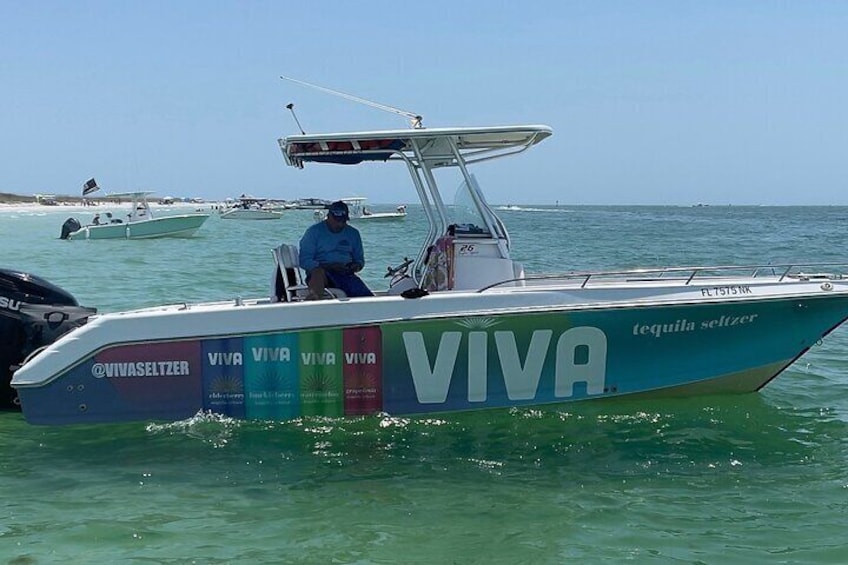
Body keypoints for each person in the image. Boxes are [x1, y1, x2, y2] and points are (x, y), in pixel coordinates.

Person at [299, 200, 373, 299]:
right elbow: (304, 260)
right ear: (328, 216)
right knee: (318, 272)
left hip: (345, 274)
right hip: (321, 274)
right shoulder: (313, 232)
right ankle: (314, 301)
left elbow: (359, 260)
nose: (339, 224)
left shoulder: (353, 234)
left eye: (343, 221)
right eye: (336, 221)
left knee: (366, 296)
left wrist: (353, 266)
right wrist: (327, 266)